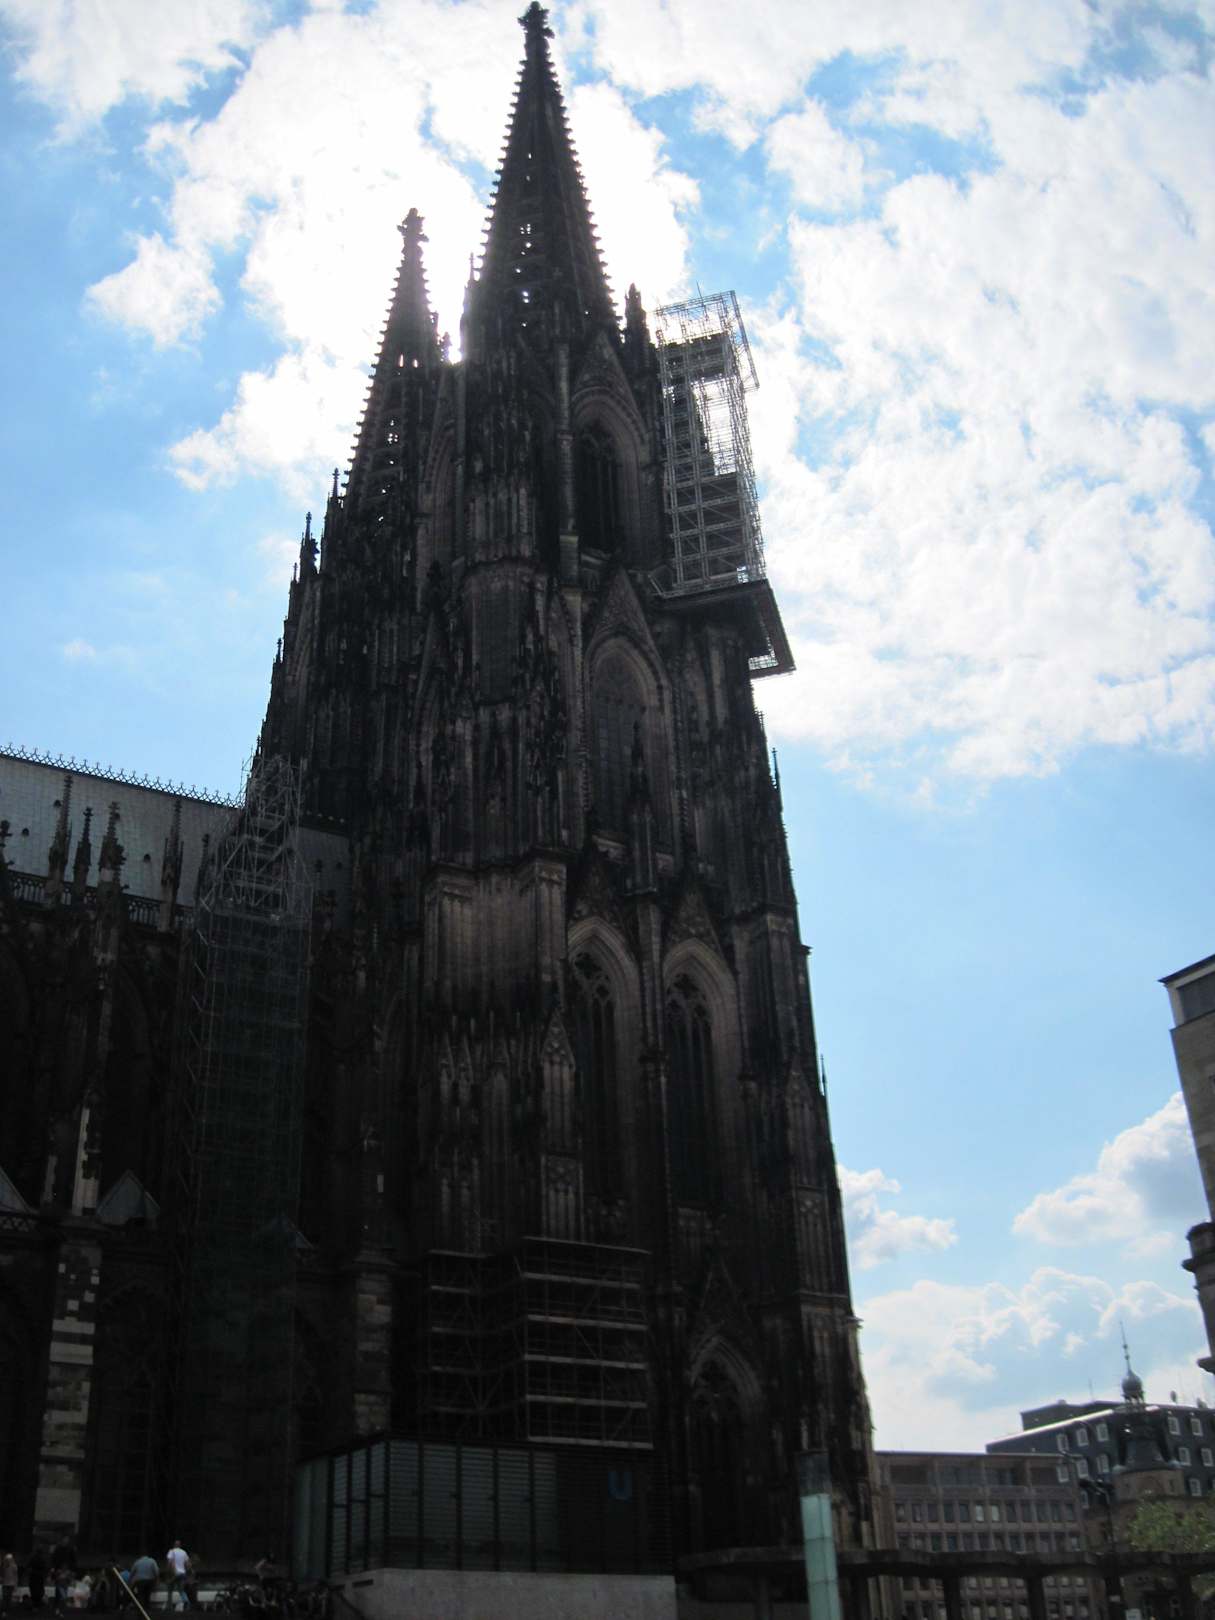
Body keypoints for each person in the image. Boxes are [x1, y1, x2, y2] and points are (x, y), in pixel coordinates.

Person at [165, 1544, 190, 1612]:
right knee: (181, 1590)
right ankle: (186, 1601)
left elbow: (169, 1562)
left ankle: (169, 1606)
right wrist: (186, 1572)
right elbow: (188, 1564)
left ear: (174, 1545)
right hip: (182, 1573)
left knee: (170, 1589)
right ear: (180, 1546)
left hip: (174, 1573)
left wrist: (167, 1572)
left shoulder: (171, 1551)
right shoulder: (184, 1552)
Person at [27, 1546, 48, 1612]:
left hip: (33, 1577)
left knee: (33, 1592)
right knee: (39, 1592)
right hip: (39, 1577)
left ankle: (34, 1606)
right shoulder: (43, 1559)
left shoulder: (33, 1558)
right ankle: (37, 1606)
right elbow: (45, 1569)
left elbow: (28, 1566)